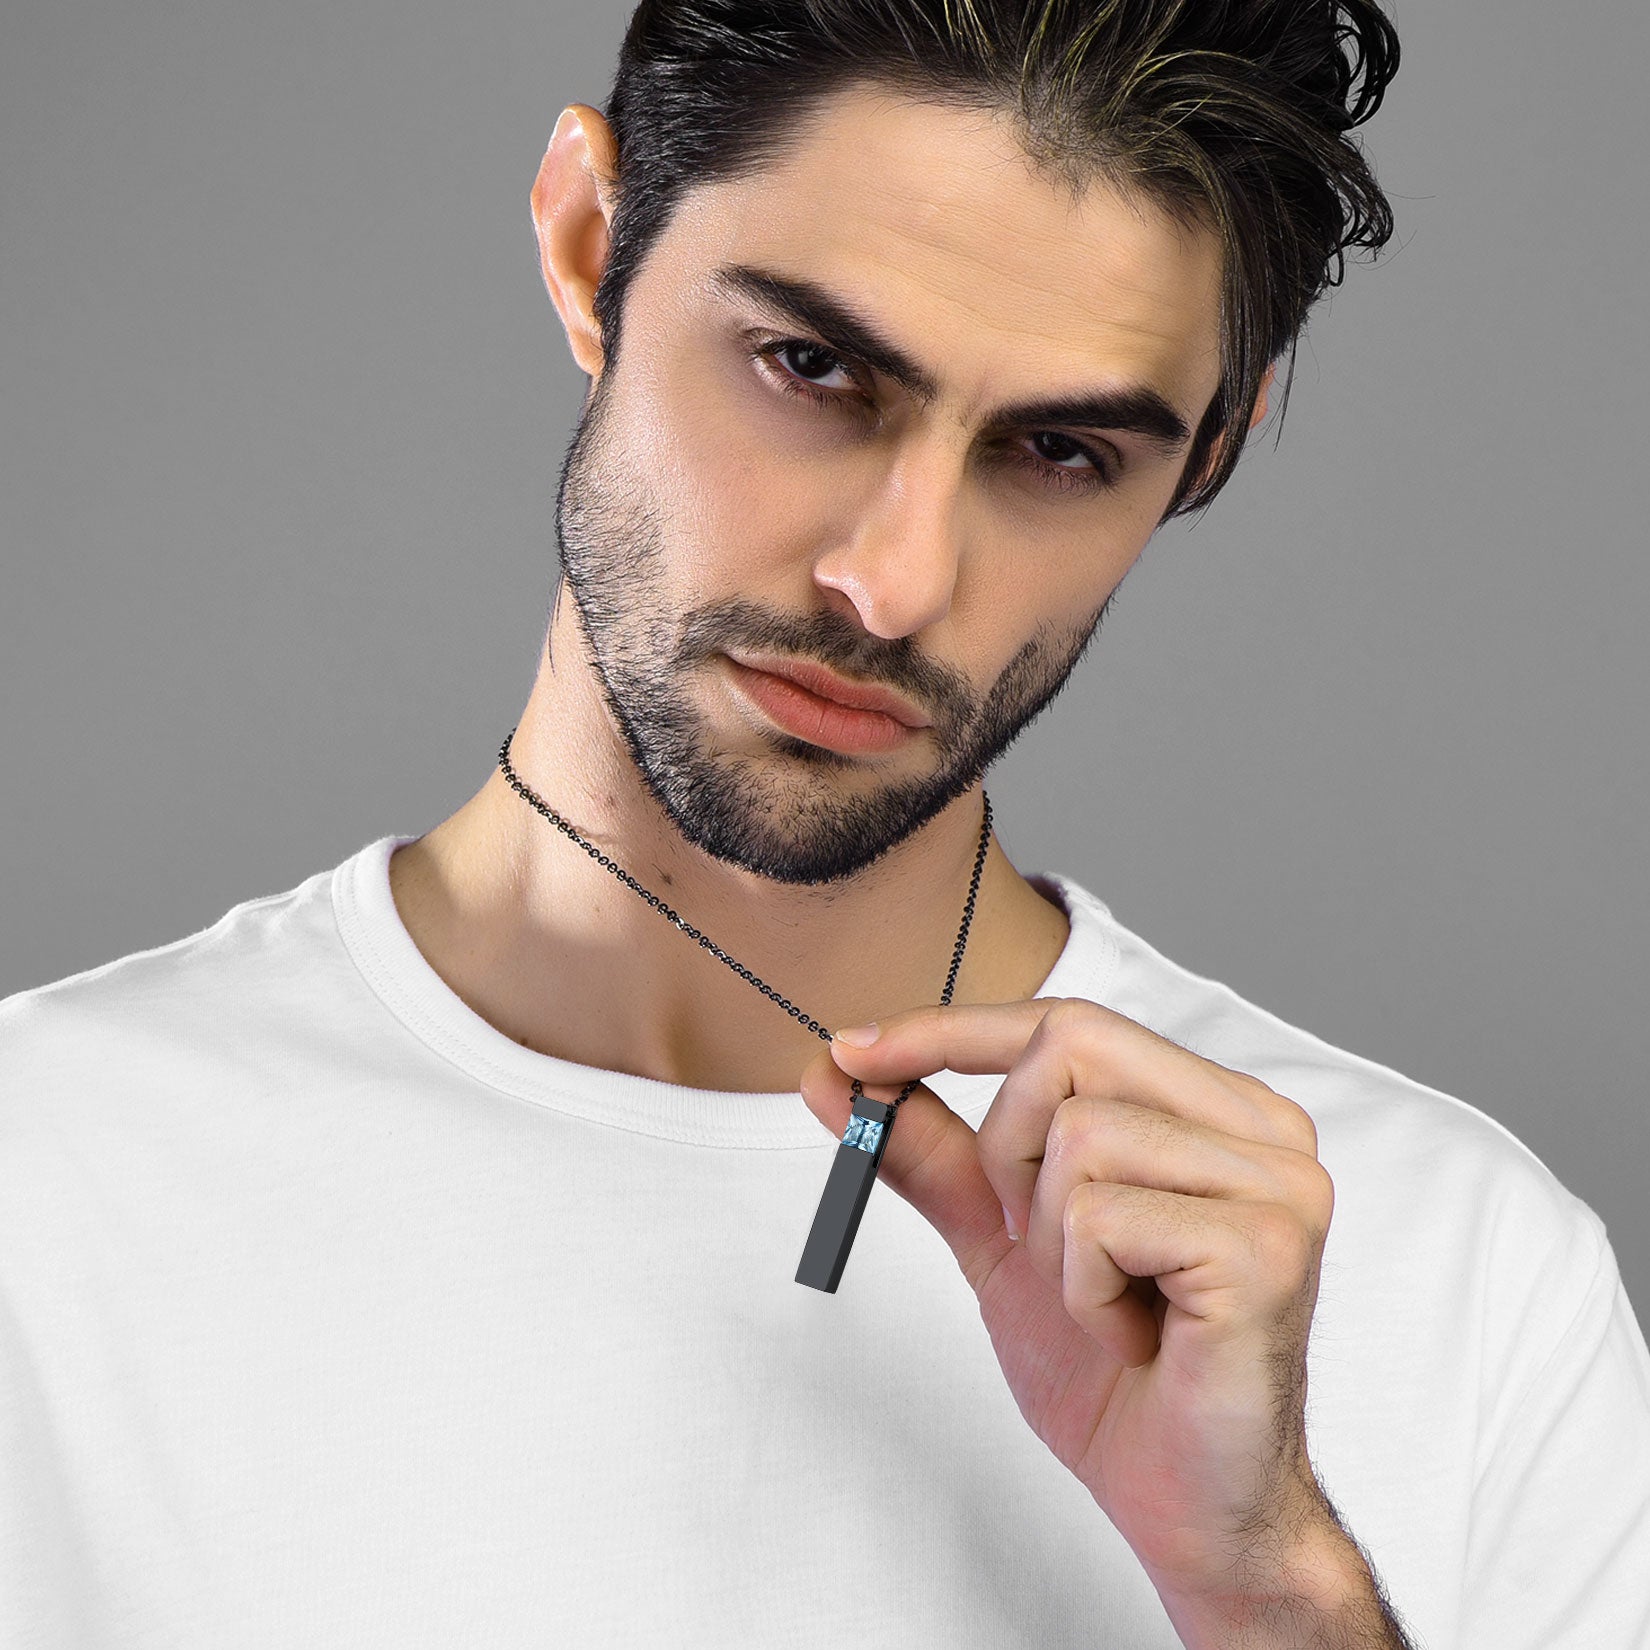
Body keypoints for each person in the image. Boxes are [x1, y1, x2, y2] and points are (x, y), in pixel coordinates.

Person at [3, 0, 1647, 1644]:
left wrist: (1262, 1587)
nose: (892, 581)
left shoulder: (1453, 1270)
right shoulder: (48, 1186)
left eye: (1060, 451)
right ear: (590, 245)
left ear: (1211, 451)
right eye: (811, 367)